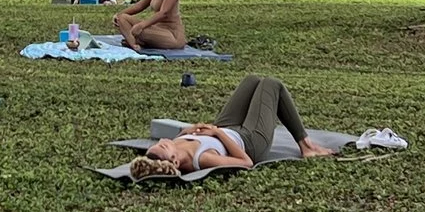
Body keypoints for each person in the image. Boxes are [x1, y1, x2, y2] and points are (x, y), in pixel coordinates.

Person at [130, 74, 337, 179]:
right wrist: (217, 132)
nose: (164, 141)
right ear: (175, 161)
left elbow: (180, 139)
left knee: (252, 80)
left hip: (225, 128)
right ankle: (306, 146)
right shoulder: (202, 159)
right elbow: (245, 162)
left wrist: (191, 130)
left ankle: (306, 144)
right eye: (165, 145)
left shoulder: (172, 151)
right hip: (250, 141)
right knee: (272, 84)